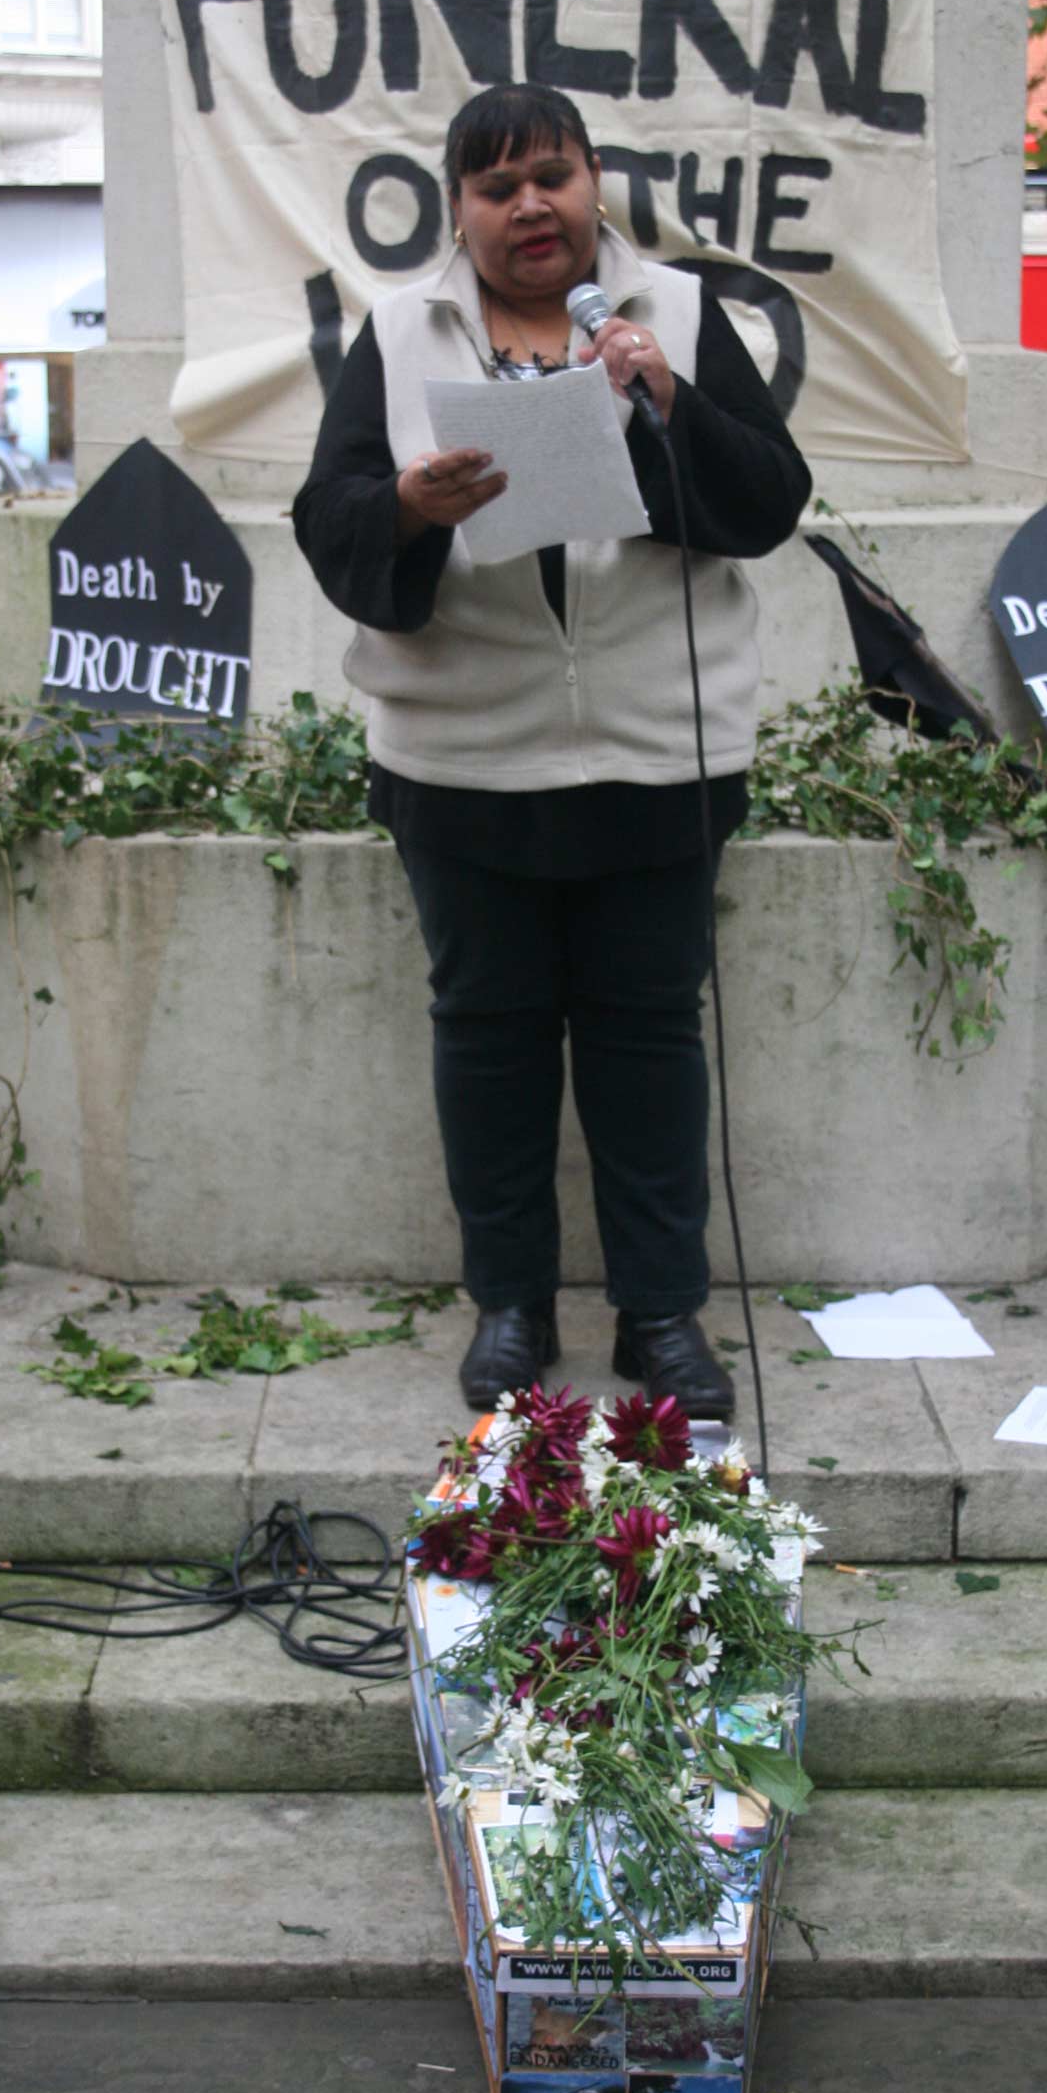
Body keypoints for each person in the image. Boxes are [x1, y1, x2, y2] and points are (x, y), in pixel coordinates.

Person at [292, 83, 811, 1417]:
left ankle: (663, 1319)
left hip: (657, 757)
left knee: (648, 1039)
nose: (531, 205)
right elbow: (331, 513)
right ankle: (512, 1310)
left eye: (553, 176)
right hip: (465, 764)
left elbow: (767, 498)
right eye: (496, 184)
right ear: (460, 213)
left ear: (594, 185)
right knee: (490, 1040)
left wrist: (667, 402)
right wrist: (408, 505)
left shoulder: (681, 318)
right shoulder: (403, 333)